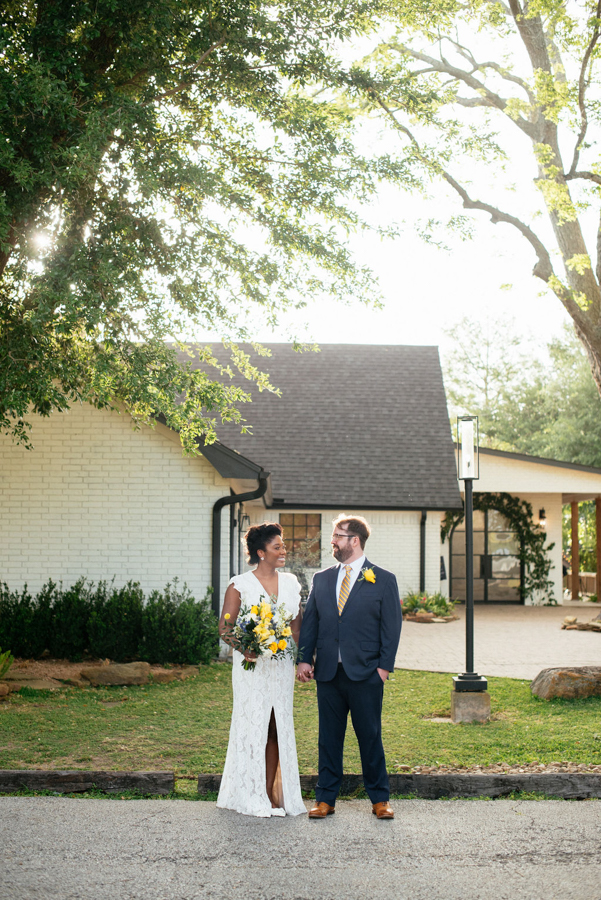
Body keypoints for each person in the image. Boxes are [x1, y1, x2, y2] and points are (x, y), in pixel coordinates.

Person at [297, 514, 402, 819]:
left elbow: (391, 628)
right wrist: (305, 658)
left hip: (366, 673)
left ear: (354, 540)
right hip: (328, 673)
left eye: (337, 536)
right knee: (328, 738)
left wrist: (383, 668)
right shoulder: (322, 578)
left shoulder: (383, 579)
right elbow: (311, 623)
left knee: (369, 736)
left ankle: (380, 799)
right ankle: (325, 799)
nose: (332, 541)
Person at [217, 522, 306, 817]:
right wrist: (247, 647)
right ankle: (250, 792)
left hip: (280, 668)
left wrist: (299, 659)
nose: (283, 551)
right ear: (261, 552)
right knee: (254, 724)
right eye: (277, 547)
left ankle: (270, 792)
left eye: (283, 546)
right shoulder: (240, 584)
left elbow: (296, 627)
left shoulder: (292, 583)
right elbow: (225, 628)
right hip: (252, 667)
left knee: (276, 726)